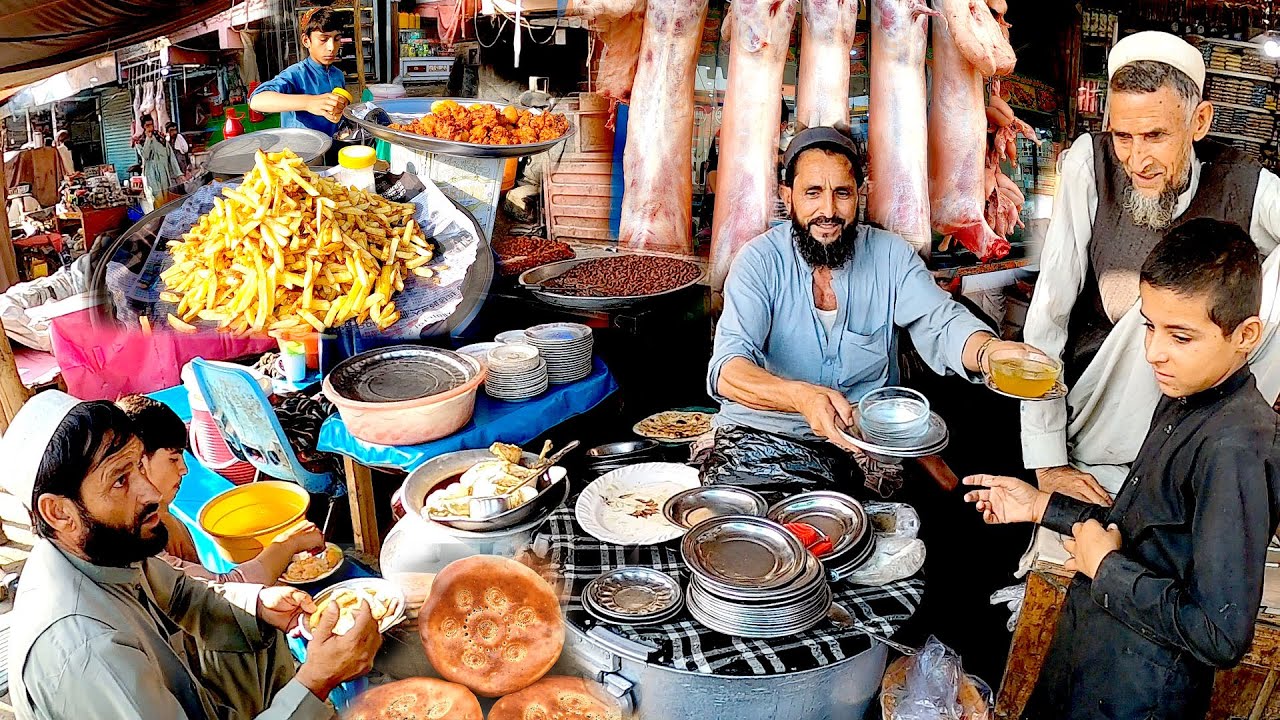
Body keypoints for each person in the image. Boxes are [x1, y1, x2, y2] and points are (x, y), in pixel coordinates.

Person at [965, 220, 1280, 719]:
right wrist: (1039, 505)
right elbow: (1145, 523)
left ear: (1245, 336)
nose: (1154, 352)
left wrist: (1106, 569)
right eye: (1150, 327)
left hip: (1138, 694)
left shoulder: (1236, 447)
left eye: (1181, 336)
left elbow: (1220, 635)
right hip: (1093, 653)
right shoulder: (1185, 395)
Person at [1020, 31, 1280, 543]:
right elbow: (1047, 316)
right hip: (1101, 417)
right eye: (1123, 137)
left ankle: (1215, 450)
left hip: (1196, 425)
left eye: (1156, 136)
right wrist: (1047, 462)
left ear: (1198, 122)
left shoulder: (1248, 185)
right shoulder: (1088, 166)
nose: (1136, 160)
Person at [705, 126, 1042, 498]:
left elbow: (940, 321)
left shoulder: (890, 256)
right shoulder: (758, 261)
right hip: (764, 436)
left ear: (859, 195)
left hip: (867, 445)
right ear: (789, 196)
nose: (828, 211)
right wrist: (800, 397)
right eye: (813, 193)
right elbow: (728, 370)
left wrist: (987, 352)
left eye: (842, 193)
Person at [1, 391, 381, 719]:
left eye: (138, 467)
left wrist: (260, 602)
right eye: (120, 480)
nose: (150, 493)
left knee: (260, 639)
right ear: (59, 512)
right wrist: (316, 681)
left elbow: (183, 594)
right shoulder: (88, 654)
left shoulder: (103, 548)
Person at [115, 394, 323, 585]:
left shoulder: (161, 518)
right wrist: (287, 545)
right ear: (138, 463)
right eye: (173, 459)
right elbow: (222, 591)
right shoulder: (135, 545)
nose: (184, 469)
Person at [249, 8, 349, 138]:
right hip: (302, 151)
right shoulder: (296, 74)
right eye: (323, 39)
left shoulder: (338, 75)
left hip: (333, 147)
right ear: (306, 41)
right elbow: (257, 100)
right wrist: (308, 103)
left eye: (337, 39)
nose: (332, 47)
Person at [134, 114, 181, 212]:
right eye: (147, 125)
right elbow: (145, 156)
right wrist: (148, 139)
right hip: (152, 174)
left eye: (151, 124)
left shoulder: (160, 137)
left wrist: (178, 173)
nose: (150, 127)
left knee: (168, 198)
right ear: (143, 127)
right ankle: (160, 220)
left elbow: (170, 155)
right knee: (157, 199)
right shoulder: (140, 141)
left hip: (164, 172)